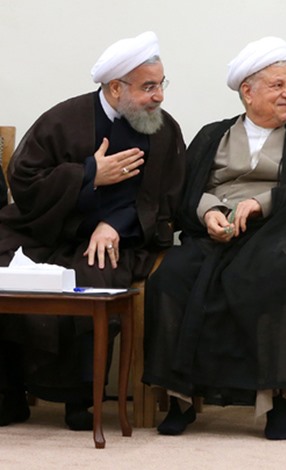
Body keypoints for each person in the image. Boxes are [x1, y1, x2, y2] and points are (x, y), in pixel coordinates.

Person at [142, 36, 286, 440]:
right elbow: (181, 191)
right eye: (278, 85)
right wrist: (209, 212)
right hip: (215, 237)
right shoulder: (212, 136)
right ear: (248, 92)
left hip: (278, 235)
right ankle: (180, 398)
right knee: (170, 278)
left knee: (280, 275)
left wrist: (263, 203)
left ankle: (279, 401)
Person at [0, 31, 185, 430]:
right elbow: (25, 178)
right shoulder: (64, 118)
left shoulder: (164, 130)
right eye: (148, 87)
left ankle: (79, 400)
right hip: (46, 229)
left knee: (94, 274)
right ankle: (8, 393)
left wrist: (115, 224)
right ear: (116, 87)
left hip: (120, 238)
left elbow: (167, 199)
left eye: (161, 85)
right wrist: (89, 174)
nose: (159, 97)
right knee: (6, 268)